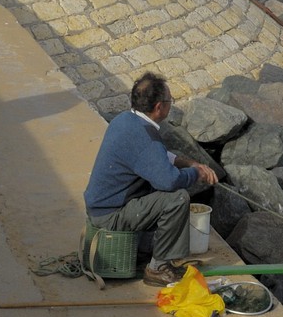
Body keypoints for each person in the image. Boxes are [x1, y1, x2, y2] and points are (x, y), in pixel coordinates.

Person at [83, 71, 217, 286]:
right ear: (159, 107)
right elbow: (169, 181)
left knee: (158, 193)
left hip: (101, 207)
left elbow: (159, 157)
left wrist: (190, 163)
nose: (170, 105)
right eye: (169, 101)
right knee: (177, 198)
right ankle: (157, 268)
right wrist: (196, 173)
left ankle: (147, 249)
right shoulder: (145, 136)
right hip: (110, 215)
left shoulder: (127, 120)